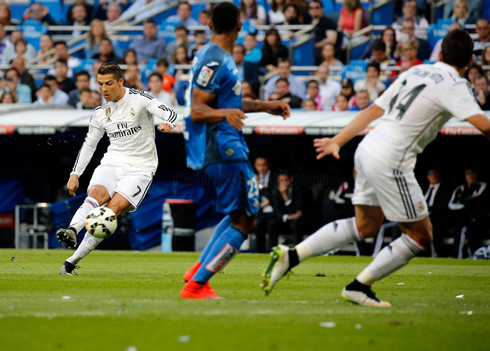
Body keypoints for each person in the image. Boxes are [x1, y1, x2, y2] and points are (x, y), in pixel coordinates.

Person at [262, 29, 490, 306]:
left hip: (367, 148)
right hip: (392, 159)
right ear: (468, 62)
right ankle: (359, 286)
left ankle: (292, 256)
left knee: (366, 225)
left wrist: (337, 140)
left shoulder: (414, 72)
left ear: (439, 54)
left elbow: (373, 110)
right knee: (421, 236)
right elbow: (485, 125)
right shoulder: (455, 83)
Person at [181, 2, 290, 299]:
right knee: (245, 221)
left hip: (227, 145)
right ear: (240, 26)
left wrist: (267, 106)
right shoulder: (214, 60)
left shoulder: (216, 57)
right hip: (223, 147)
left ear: (209, 25)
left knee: (238, 215)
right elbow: (198, 109)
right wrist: (225, 114)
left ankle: (197, 273)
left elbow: (227, 102)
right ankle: (197, 285)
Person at [57, 62, 178, 276]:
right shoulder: (100, 113)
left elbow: (170, 113)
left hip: (140, 167)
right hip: (112, 162)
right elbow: (89, 145)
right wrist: (74, 174)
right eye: (100, 84)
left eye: (109, 84)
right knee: (95, 195)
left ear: (121, 82)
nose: (104, 89)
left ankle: (72, 261)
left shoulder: (141, 99)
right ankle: (73, 230)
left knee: (110, 212)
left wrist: (169, 123)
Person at [268, 170, 306, 248]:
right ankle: (271, 250)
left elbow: (298, 210)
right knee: (272, 224)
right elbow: (277, 210)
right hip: (283, 218)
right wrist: (283, 194)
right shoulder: (276, 191)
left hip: (295, 219)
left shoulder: (298, 190)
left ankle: (298, 250)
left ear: (291, 179)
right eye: (281, 180)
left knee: (296, 224)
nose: (284, 183)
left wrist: (286, 195)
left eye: (286, 180)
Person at [424, 168, 451, 257]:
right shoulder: (424, 189)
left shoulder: (445, 189)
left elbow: (442, 206)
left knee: (432, 224)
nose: (434, 176)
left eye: (436, 174)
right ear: (427, 177)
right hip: (424, 216)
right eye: (431, 174)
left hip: (438, 217)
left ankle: (437, 253)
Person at [254, 156, 276, 253]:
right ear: (255, 166)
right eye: (259, 165)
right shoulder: (253, 178)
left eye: (264, 165)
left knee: (272, 225)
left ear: (268, 165)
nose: (262, 168)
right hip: (261, 212)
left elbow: (275, 194)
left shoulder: (275, 177)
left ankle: (272, 252)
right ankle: (260, 253)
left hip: (274, 211)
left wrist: (260, 186)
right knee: (258, 224)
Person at [309, 0, 337, 65]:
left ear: (322, 9)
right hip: (307, 49)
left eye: (317, 8)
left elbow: (332, 40)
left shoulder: (328, 22)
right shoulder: (306, 22)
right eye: (311, 8)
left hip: (320, 49)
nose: (314, 10)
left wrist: (316, 45)